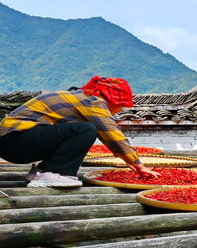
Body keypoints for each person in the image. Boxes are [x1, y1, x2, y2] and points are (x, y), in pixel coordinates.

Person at [0, 76, 159, 188]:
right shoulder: (92, 101)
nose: (121, 109)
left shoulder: (81, 99)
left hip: (13, 143)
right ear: (113, 99)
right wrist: (138, 165)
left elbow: (104, 134)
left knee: (85, 128)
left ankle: (41, 171)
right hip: (15, 140)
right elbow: (112, 133)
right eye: (122, 104)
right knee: (87, 129)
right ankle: (55, 173)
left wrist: (130, 161)